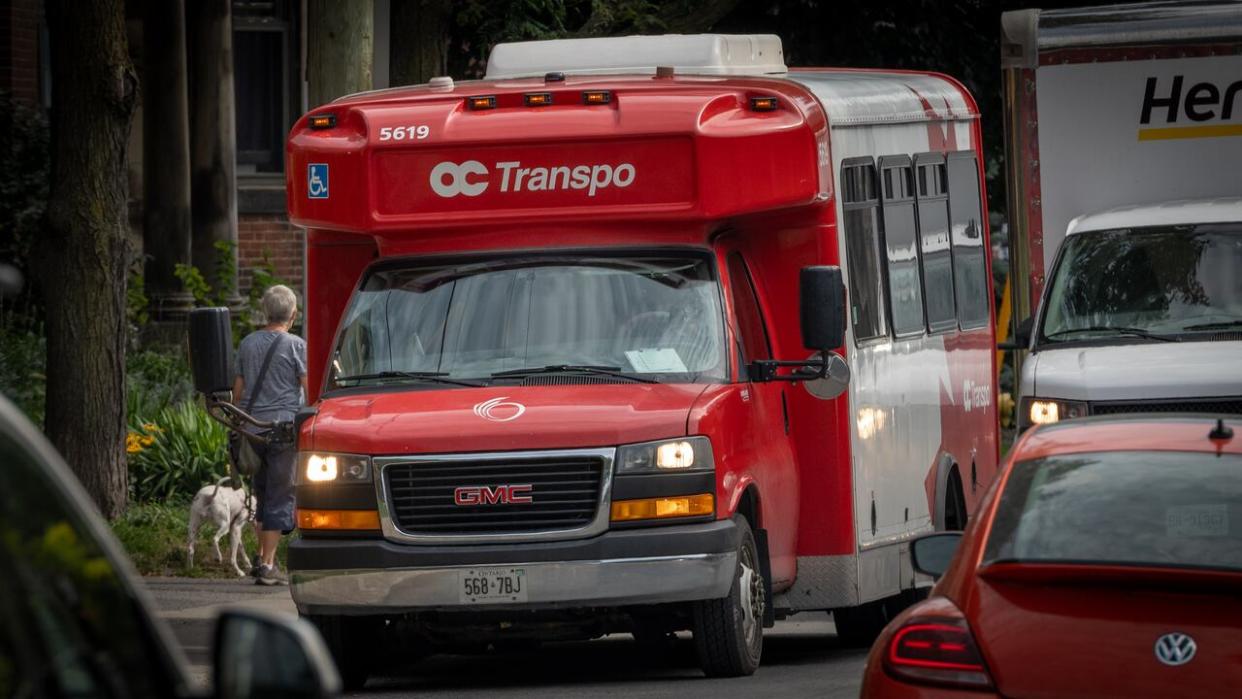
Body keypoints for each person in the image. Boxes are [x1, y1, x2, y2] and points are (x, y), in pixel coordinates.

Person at [232, 284, 308, 585]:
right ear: (293, 313)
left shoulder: (248, 343)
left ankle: (264, 559)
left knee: (261, 493)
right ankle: (267, 564)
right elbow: (308, 387)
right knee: (280, 494)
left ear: (265, 311)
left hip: (251, 429)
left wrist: (240, 419)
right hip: (283, 430)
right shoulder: (296, 345)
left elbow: (238, 390)